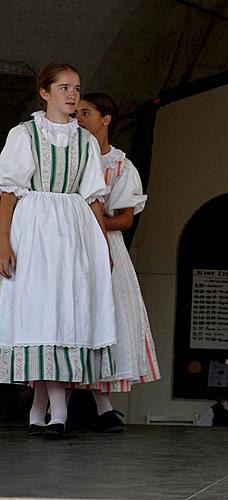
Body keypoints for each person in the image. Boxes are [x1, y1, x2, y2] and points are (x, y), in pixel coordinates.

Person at [0, 63, 116, 439]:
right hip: (35, 227)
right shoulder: (25, 134)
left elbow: (94, 199)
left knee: (67, 310)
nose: (72, 94)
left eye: (77, 88)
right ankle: (56, 410)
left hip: (72, 228)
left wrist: (101, 245)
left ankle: (41, 411)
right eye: (64, 87)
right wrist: (3, 241)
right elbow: (8, 192)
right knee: (40, 311)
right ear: (44, 92)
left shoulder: (85, 141)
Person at [75, 92, 161, 433]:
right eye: (77, 113)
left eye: (86, 112)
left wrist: (92, 223)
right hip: (71, 245)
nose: (80, 119)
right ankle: (55, 406)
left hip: (105, 245)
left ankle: (102, 404)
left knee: (106, 319)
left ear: (106, 119)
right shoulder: (71, 157)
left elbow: (125, 219)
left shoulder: (120, 165)